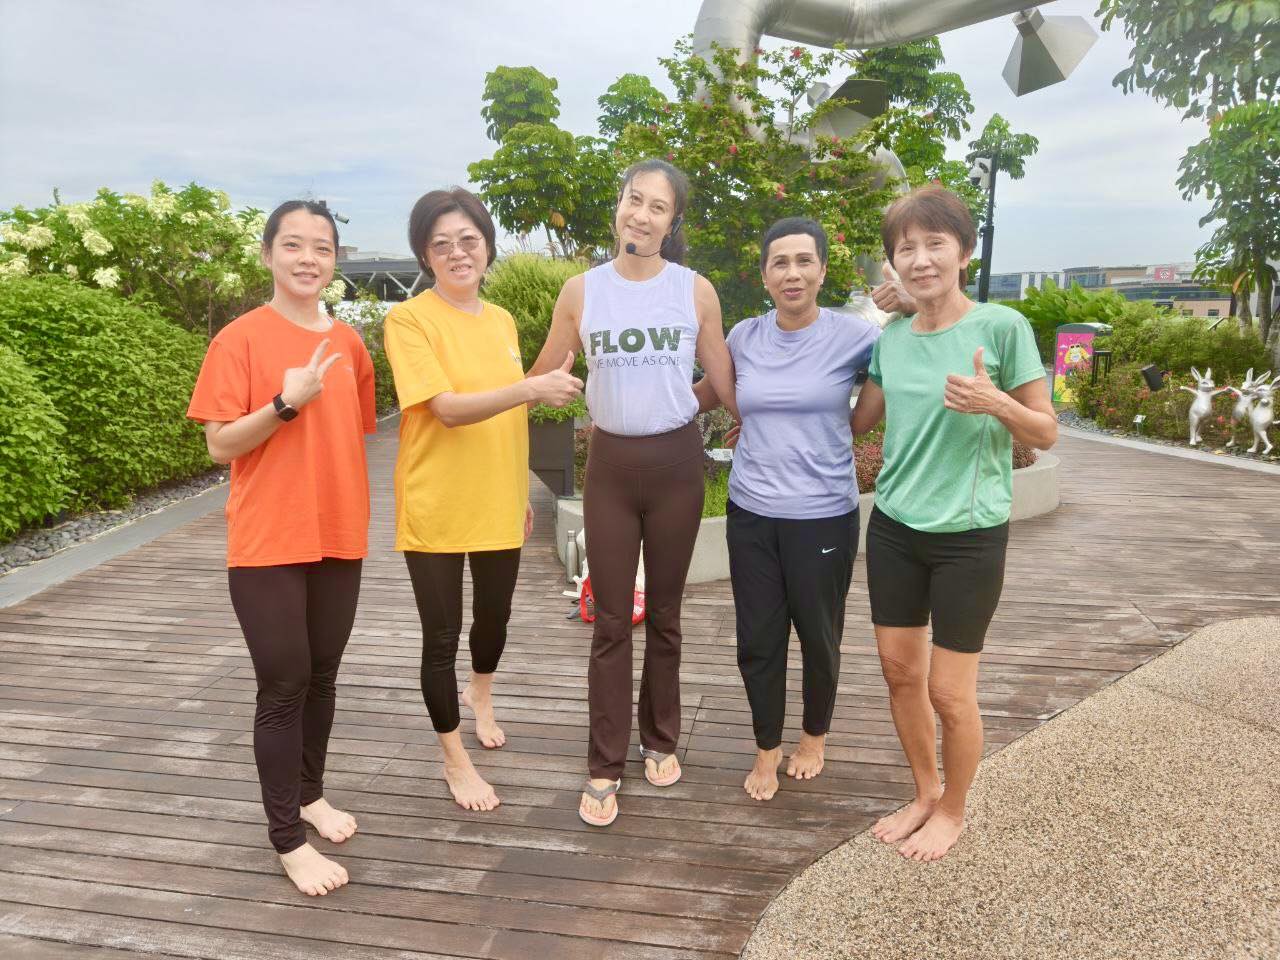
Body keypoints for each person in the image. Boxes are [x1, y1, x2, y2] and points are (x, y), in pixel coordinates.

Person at [528, 159, 739, 826]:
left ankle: (662, 737)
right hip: (611, 468)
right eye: (633, 200)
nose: (641, 216)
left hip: (677, 462)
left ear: (672, 223)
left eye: (657, 207)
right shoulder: (580, 291)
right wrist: (532, 390)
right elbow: (540, 378)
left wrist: (719, 410)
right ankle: (603, 763)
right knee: (613, 620)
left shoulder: (694, 290)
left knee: (669, 616)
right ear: (618, 207)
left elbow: (725, 383)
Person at [852, 185, 1058, 862]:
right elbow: (859, 420)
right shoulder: (895, 339)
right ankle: (923, 790)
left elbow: (1046, 431)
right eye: (905, 248)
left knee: (949, 690)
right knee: (898, 671)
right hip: (894, 528)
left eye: (934, 243)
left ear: (963, 252)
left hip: (969, 536)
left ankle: (955, 810)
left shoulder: (1001, 328)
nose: (919, 258)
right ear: (893, 264)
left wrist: (997, 402)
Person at [187, 200, 376, 896]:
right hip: (267, 540)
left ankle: (310, 794)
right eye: (292, 245)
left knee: (323, 675)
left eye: (321, 248)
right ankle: (287, 838)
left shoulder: (352, 346)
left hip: (338, 533)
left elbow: (350, 438)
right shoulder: (238, 339)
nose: (307, 259)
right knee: (284, 683)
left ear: (335, 261)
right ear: (267, 254)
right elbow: (218, 445)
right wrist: (284, 402)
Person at [383, 188, 582, 813]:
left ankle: (483, 695)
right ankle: (453, 758)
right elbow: (444, 410)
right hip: (436, 502)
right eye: (441, 244)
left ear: (487, 246)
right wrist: (529, 387)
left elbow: (507, 417)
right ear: (425, 254)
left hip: (498, 500)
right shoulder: (409, 320)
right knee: (440, 636)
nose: (457, 252)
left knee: (492, 620)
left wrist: (518, 486)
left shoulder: (499, 321)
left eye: (468, 240)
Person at [695, 217, 880, 801]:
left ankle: (813, 738)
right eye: (780, 262)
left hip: (824, 513)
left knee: (819, 634)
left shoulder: (857, 337)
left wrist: (847, 429)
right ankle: (766, 749)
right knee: (759, 637)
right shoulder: (745, 337)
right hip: (752, 513)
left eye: (804, 260)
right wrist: (620, 409)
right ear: (765, 275)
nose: (792, 272)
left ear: (824, 270)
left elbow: (890, 386)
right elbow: (701, 394)